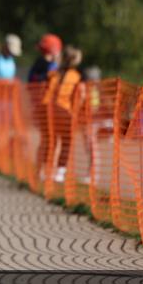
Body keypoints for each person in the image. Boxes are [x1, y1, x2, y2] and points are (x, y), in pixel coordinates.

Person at [45, 45, 83, 184]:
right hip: (65, 110)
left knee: (52, 141)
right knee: (66, 142)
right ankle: (60, 172)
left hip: (51, 109)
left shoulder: (54, 73)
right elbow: (78, 97)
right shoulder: (76, 76)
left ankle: (47, 169)